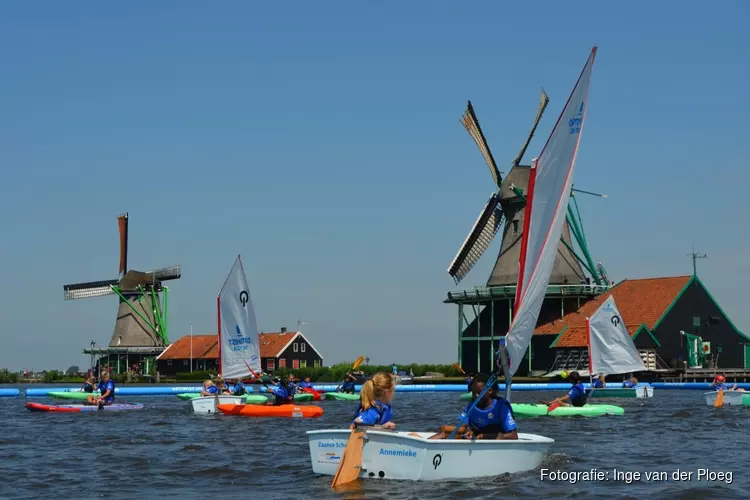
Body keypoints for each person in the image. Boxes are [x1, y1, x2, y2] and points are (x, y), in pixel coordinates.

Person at [431, 373, 517, 440]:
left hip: (492, 441)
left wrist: (486, 436)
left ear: (489, 391)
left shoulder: (501, 407)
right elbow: (463, 426)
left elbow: (513, 435)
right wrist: (468, 431)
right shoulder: (472, 405)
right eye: (473, 392)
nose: (475, 396)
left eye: (479, 393)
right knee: (443, 433)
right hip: (475, 439)